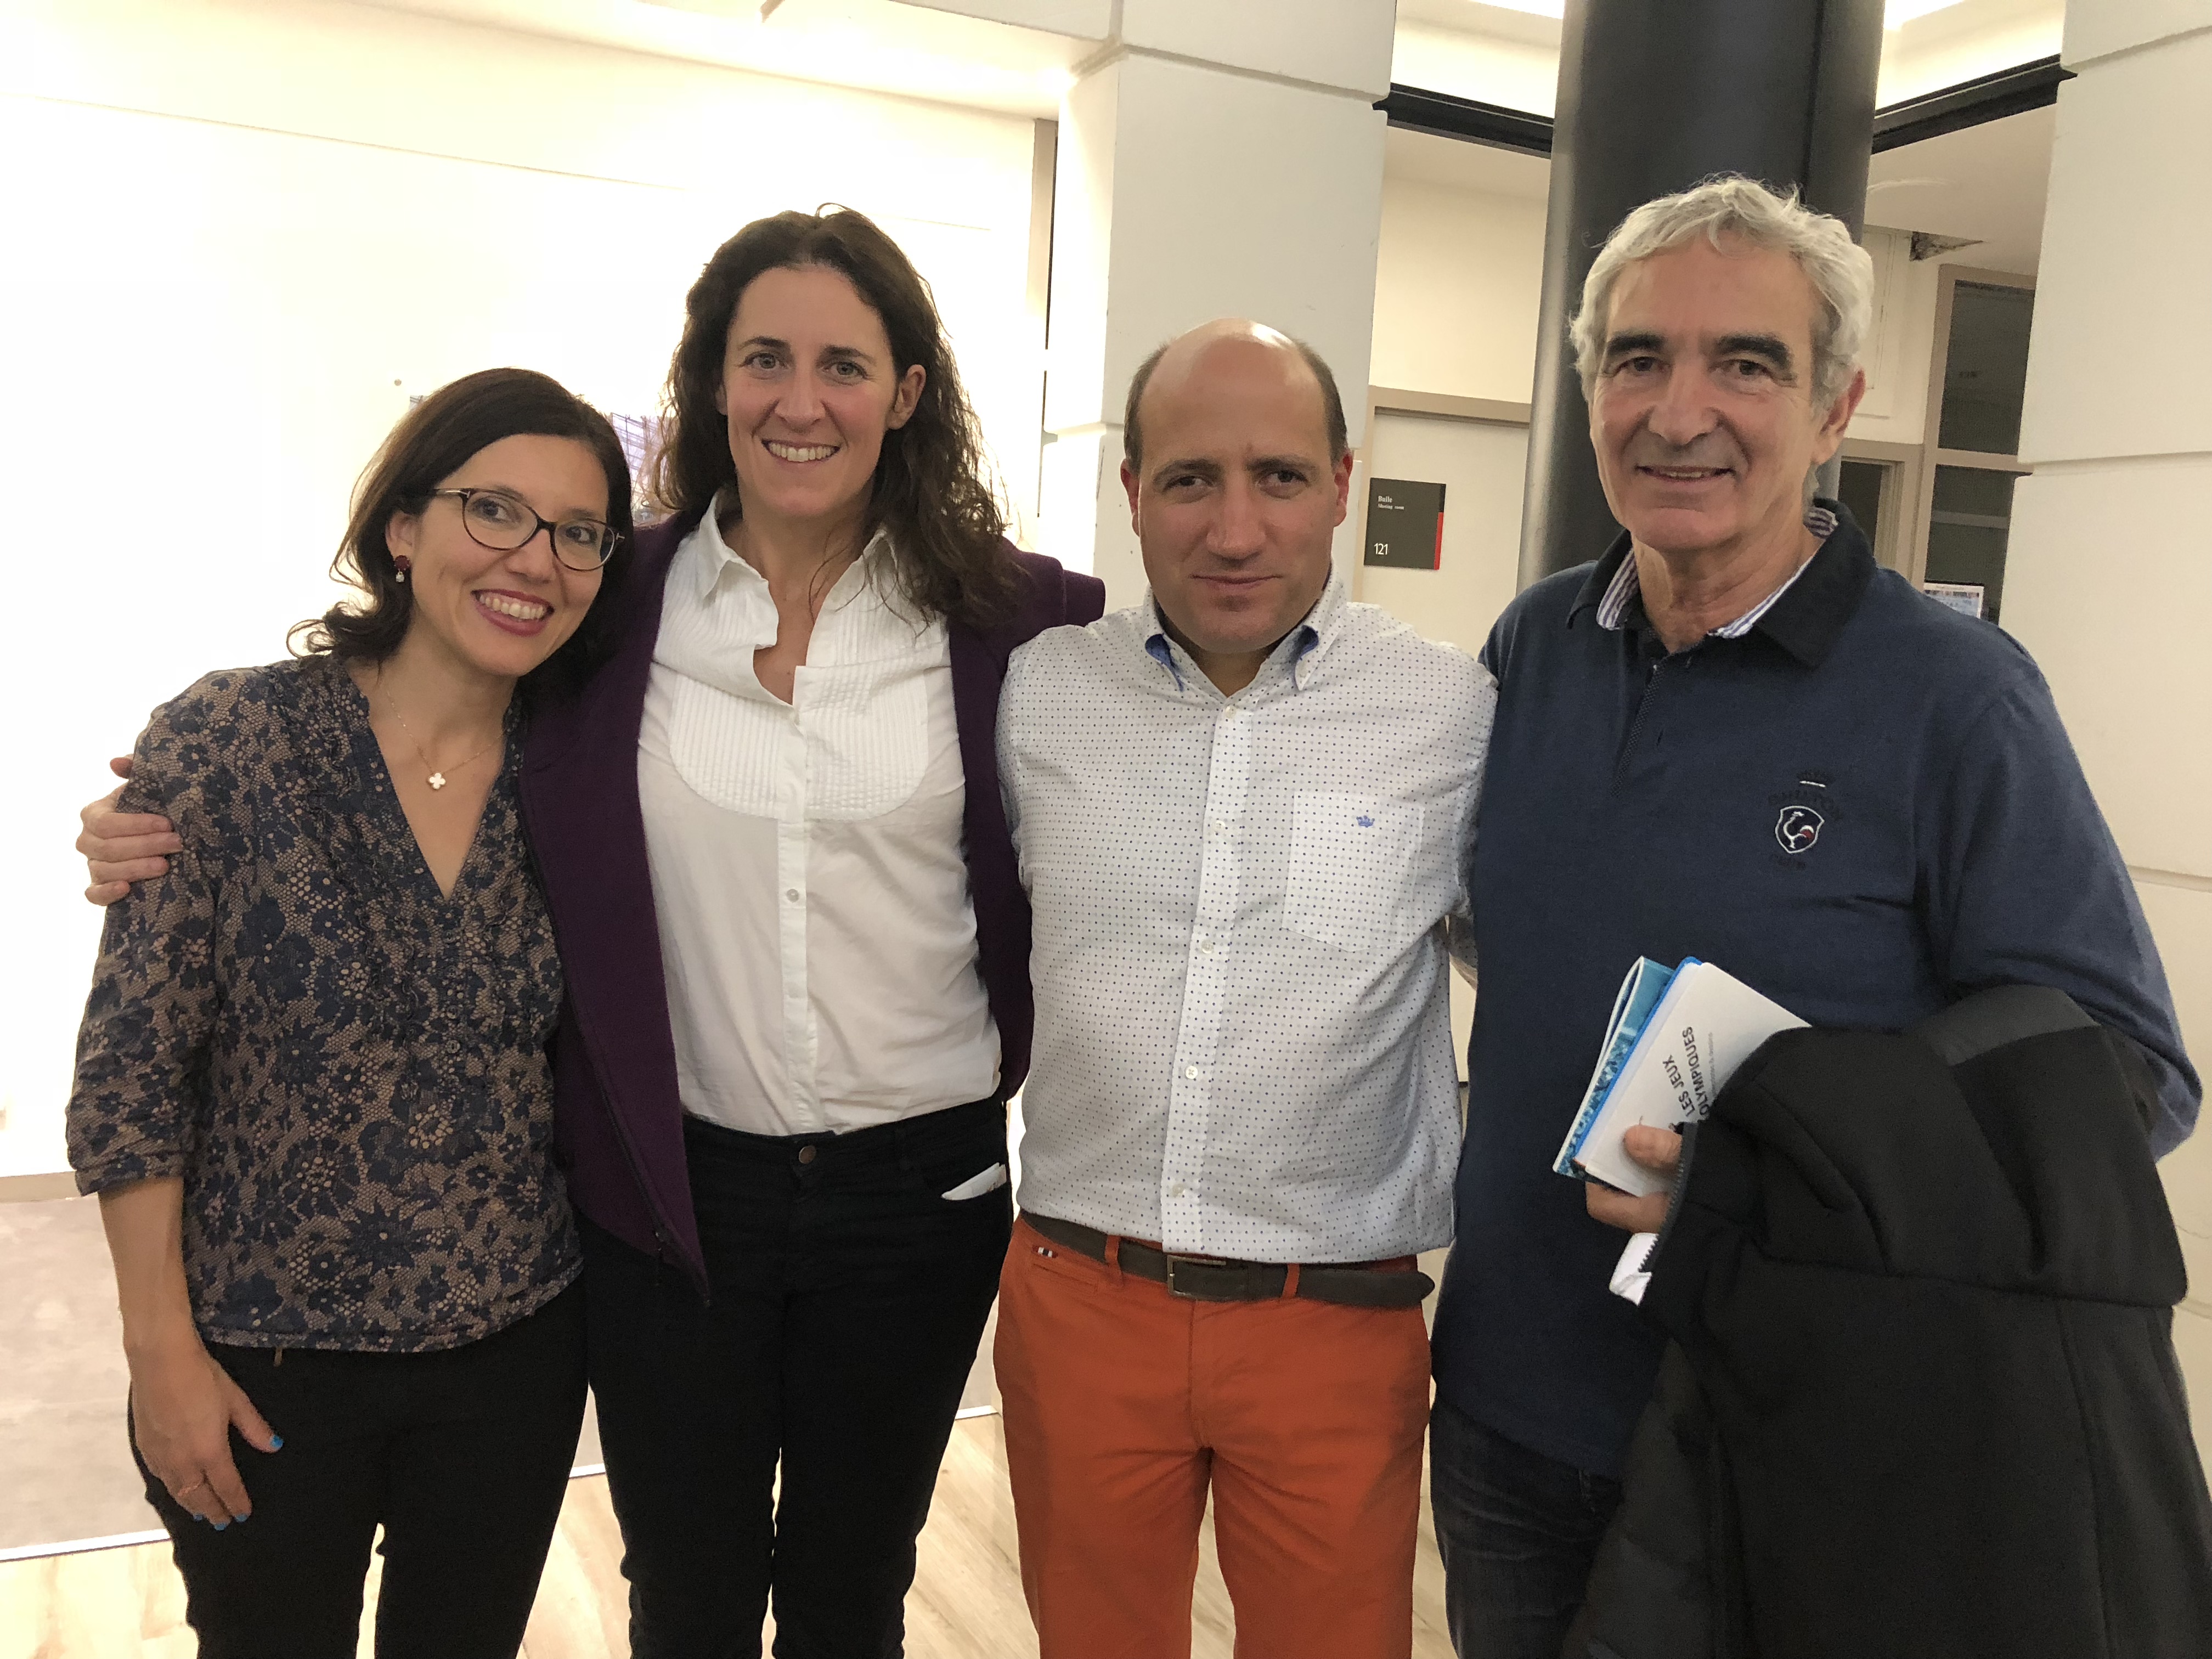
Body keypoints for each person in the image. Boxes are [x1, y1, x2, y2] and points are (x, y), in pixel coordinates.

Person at [84, 207, 1103, 1658]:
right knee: (683, 1587)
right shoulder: (615, 600)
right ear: (712, 383)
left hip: (919, 1198)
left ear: (910, 393)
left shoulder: (1026, 620)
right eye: (763, 358)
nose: (799, 400)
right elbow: (417, 678)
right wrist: (158, 816)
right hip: (673, 1197)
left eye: (843, 364)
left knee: (855, 1583)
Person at [1425, 174, 2200, 1659]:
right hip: (1517, 1411)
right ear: (1590, 391)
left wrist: (1771, 1177)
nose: (1680, 409)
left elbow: (2123, 1079)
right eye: (1638, 358)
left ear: (1836, 409)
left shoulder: (1956, 698)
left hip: (1805, 1431)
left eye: (1748, 364)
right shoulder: (1535, 646)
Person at [67, 366, 634, 1658]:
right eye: (494, 510)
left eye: (578, 533)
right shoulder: (232, 739)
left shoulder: (583, 775)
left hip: (512, 1350)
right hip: (263, 1361)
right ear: (403, 526)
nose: (533, 560)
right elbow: (129, 1073)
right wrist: (159, 1352)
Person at [992, 319, 1497, 1659]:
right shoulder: (1040, 699)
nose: (1233, 528)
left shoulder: (1450, 715)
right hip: (1082, 1296)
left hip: (1335, 1316)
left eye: (1277, 477)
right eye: (1189, 479)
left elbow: (1537, 967)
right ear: (1133, 493)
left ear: (1343, 483)